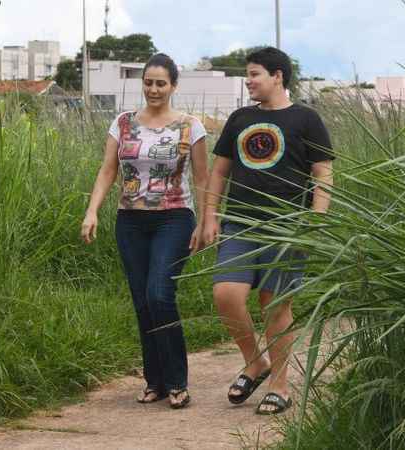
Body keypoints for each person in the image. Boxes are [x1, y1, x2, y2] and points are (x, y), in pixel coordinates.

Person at [202, 47, 334, 415]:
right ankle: (255, 362)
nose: (249, 81)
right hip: (240, 222)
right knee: (226, 294)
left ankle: (280, 384)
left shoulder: (306, 119)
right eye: (249, 74)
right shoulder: (240, 118)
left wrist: (316, 222)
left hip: (287, 226)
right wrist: (210, 216)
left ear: (278, 76)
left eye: (255, 74)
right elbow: (218, 172)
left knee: (275, 305)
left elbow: (323, 175)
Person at [80, 53, 208, 409]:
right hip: (130, 221)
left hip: (175, 218)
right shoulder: (122, 123)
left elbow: (201, 178)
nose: (154, 89)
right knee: (142, 301)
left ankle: (177, 380)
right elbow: (107, 171)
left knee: (159, 295)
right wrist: (92, 211)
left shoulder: (190, 126)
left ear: (173, 86)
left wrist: (205, 221)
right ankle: (156, 381)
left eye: (161, 83)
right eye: (148, 82)